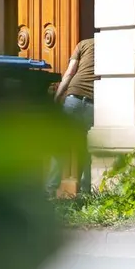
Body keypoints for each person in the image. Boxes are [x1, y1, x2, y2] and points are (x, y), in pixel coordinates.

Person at [49, 38, 96, 197]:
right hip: (94, 101)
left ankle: (49, 190)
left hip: (74, 97)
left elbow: (69, 72)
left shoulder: (84, 44)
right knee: (88, 148)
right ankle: (86, 192)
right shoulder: (113, 43)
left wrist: (57, 98)